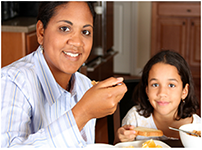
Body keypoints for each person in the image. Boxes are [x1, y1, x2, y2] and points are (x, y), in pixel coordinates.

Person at [1, 2, 127, 148]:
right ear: (41, 32)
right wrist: (82, 113)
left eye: (85, 32)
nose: (77, 42)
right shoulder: (12, 82)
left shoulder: (85, 85)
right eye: (64, 29)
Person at [114, 50, 200, 143]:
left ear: (184, 91)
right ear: (147, 90)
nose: (162, 93)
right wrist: (120, 139)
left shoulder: (197, 127)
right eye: (155, 85)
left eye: (171, 85)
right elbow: (118, 145)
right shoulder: (135, 119)